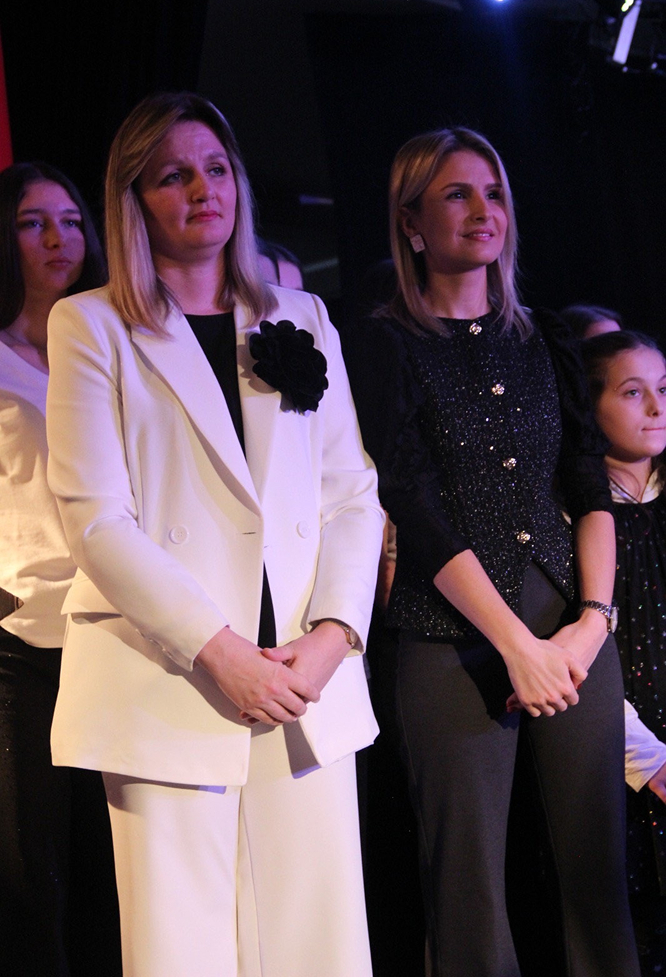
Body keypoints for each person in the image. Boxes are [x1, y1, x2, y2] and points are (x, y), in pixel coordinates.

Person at [45, 92, 384, 977]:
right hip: (171, 681)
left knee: (317, 948)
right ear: (134, 199)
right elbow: (96, 519)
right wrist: (220, 652)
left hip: (303, 684)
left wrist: (332, 639)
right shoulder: (90, 325)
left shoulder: (300, 317)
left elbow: (352, 494)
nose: (203, 190)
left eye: (216, 168)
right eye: (173, 175)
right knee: (181, 950)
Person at [344, 127, 640, 977]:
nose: (484, 211)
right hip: (450, 632)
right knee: (467, 888)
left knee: (596, 877)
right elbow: (414, 504)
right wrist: (516, 645)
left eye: (495, 192)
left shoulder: (545, 335)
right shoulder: (386, 342)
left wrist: (591, 623)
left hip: (571, 621)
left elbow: (589, 486)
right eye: (457, 194)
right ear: (411, 223)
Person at [0, 162, 121, 977]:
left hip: (115, 628)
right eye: (33, 222)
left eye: (72, 220)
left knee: (116, 870)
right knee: (30, 872)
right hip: (20, 634)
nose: (58, 238)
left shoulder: (113, 349)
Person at [582, 330, 666, 974]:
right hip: (626, 753)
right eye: (633, 392)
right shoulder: (579, 516)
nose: (656, 408)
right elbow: (584, 651)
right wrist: (648, 758)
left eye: (663, 389)